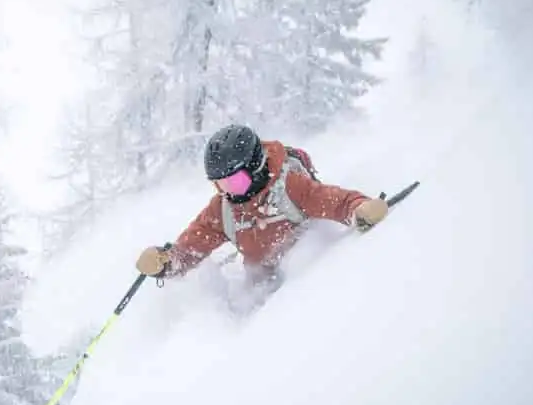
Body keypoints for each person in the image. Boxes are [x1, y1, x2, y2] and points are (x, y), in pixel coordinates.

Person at [135, 124, 389, 289]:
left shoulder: (290, 186)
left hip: (306, 280)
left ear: (256, 168)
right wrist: (164, 262)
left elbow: (336, 202)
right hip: (261, 289)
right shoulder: (224, 209)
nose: (227, 192)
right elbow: (191, 250)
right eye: (219, 184)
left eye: (234, 182)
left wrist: (361, 209)